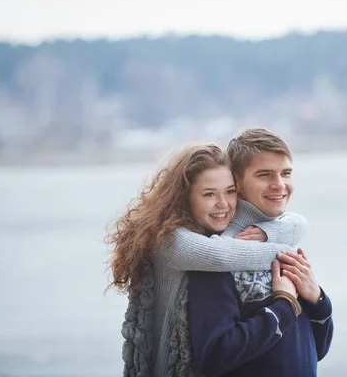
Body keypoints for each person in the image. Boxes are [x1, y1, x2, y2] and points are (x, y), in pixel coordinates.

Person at [104, 143, 308, 377]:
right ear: (184, 197)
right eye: (209, 194)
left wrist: (270, 232)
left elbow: (294, 220)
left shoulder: (207, 230)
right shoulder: (171, 241)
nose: (223, 204)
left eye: (230, 192)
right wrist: (290, 256)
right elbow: (221, 255)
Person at [188, 128, 334, 377]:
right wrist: (284, 307)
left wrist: (318, 302)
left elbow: (315, 351)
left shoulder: (283, 246)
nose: (279, 185)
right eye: (264, 175)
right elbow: (214, 356)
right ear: (236, 185)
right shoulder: (220, 256)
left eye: (286, 173)